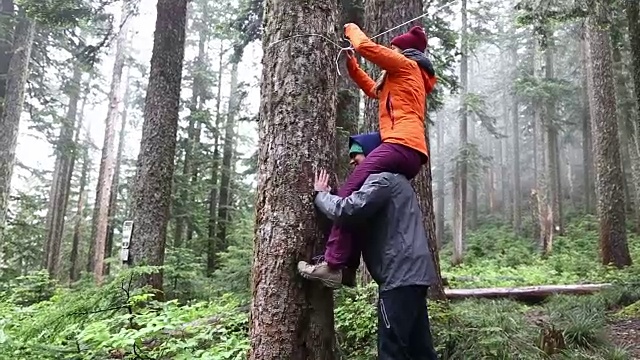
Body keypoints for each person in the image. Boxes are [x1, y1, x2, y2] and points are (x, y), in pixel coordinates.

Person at [297, 24, 437, 285]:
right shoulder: (401, 77)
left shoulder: (406, 66)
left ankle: (334, 264)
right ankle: (346, 266)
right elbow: (373, 90)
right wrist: (353, 67)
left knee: (349, 192)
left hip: (401, 145)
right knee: (357, 197)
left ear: (404, 51)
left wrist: (351, 29)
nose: (391, 52)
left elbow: (365, 47)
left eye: (394, 49)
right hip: (408, 151)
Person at [301, 167, 439, 360]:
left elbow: (348, 210)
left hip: (398, 278)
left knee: (391, 351)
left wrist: (321, 195)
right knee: (420, 349)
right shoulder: (397, 181)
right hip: (413, 276)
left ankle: (335, 269)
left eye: (356, 153)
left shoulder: (381, 180)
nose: (352, 160)